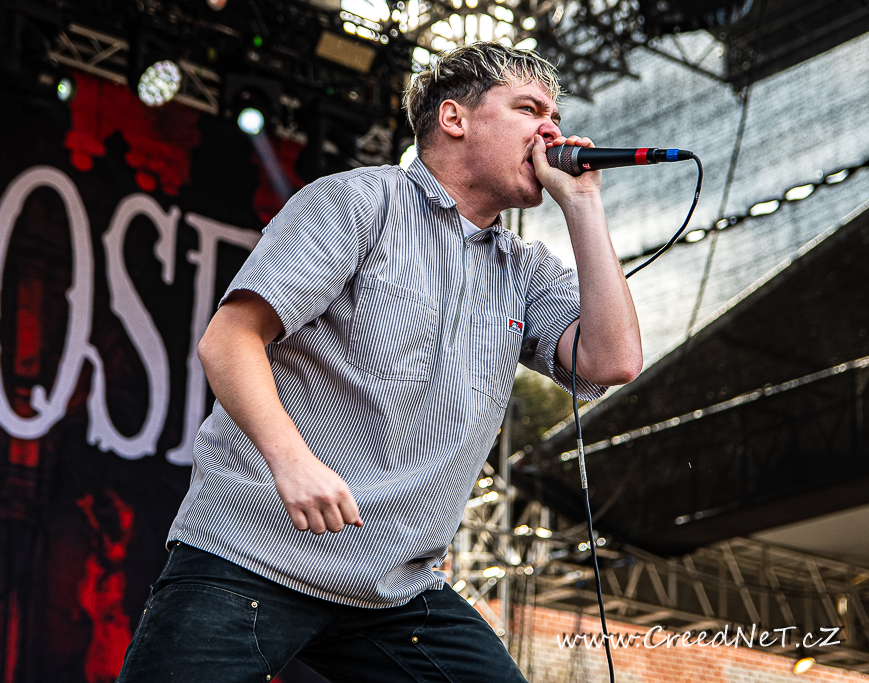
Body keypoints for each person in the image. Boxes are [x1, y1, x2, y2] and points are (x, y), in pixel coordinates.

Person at [116, 42, 642, 683]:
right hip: (252, 550)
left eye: (555, 116)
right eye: (529, 109)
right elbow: (228, 340)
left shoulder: (524, 270)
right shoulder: (358, 202)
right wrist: (291, 460)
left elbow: (613, 361)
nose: (551, 132)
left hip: (396, 590)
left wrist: (584, 204)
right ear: (455, 118)